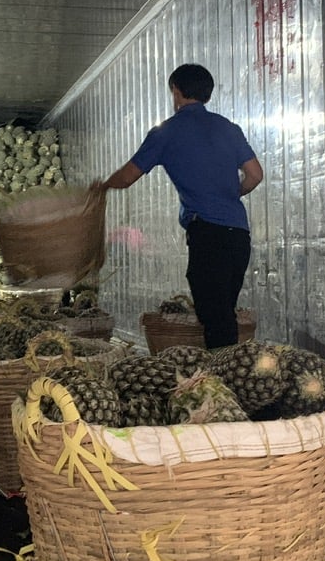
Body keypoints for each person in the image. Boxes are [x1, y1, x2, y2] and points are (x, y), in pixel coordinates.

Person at [101, 64, 264, 348]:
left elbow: (127, 177)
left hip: (208, 235)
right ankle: (228, 372)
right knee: (224, 310)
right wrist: (232, 194)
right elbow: (255, 175)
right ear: (208, 95)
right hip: (238, 233)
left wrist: (101, 187)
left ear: (176, 92)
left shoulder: (166, 132)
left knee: (214, 317)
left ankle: (221, 381)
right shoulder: (229, 128)